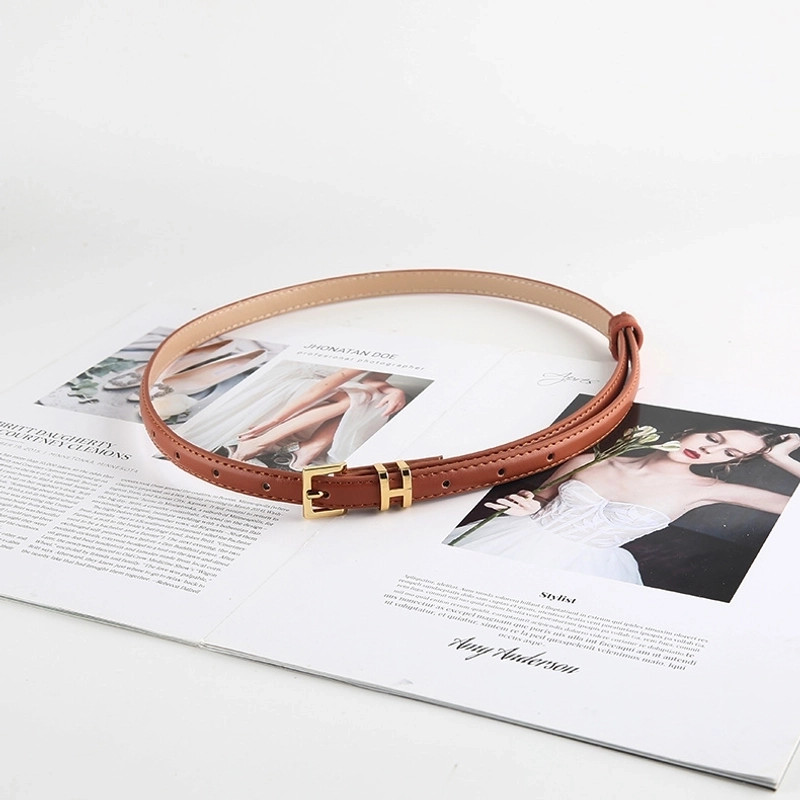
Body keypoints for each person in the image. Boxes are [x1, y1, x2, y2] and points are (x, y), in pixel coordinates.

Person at [445, 427, 800, 585]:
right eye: (713, 438)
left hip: (589, 570)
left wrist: (780, 457)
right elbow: (540, 500)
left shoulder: (708, 489)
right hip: (514, 540)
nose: (709, 450)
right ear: (693, 431)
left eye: (728, 452)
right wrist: (527, 507)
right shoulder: (592, 460)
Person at [176, 362, 406, 470]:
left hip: (331, 389)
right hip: (303, 382)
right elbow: (319, 389)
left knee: (371, 397)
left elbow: (372, 381)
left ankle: (306, 449)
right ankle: (260, 441)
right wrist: (276, 420)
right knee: (358, 397)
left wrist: (394, 390)